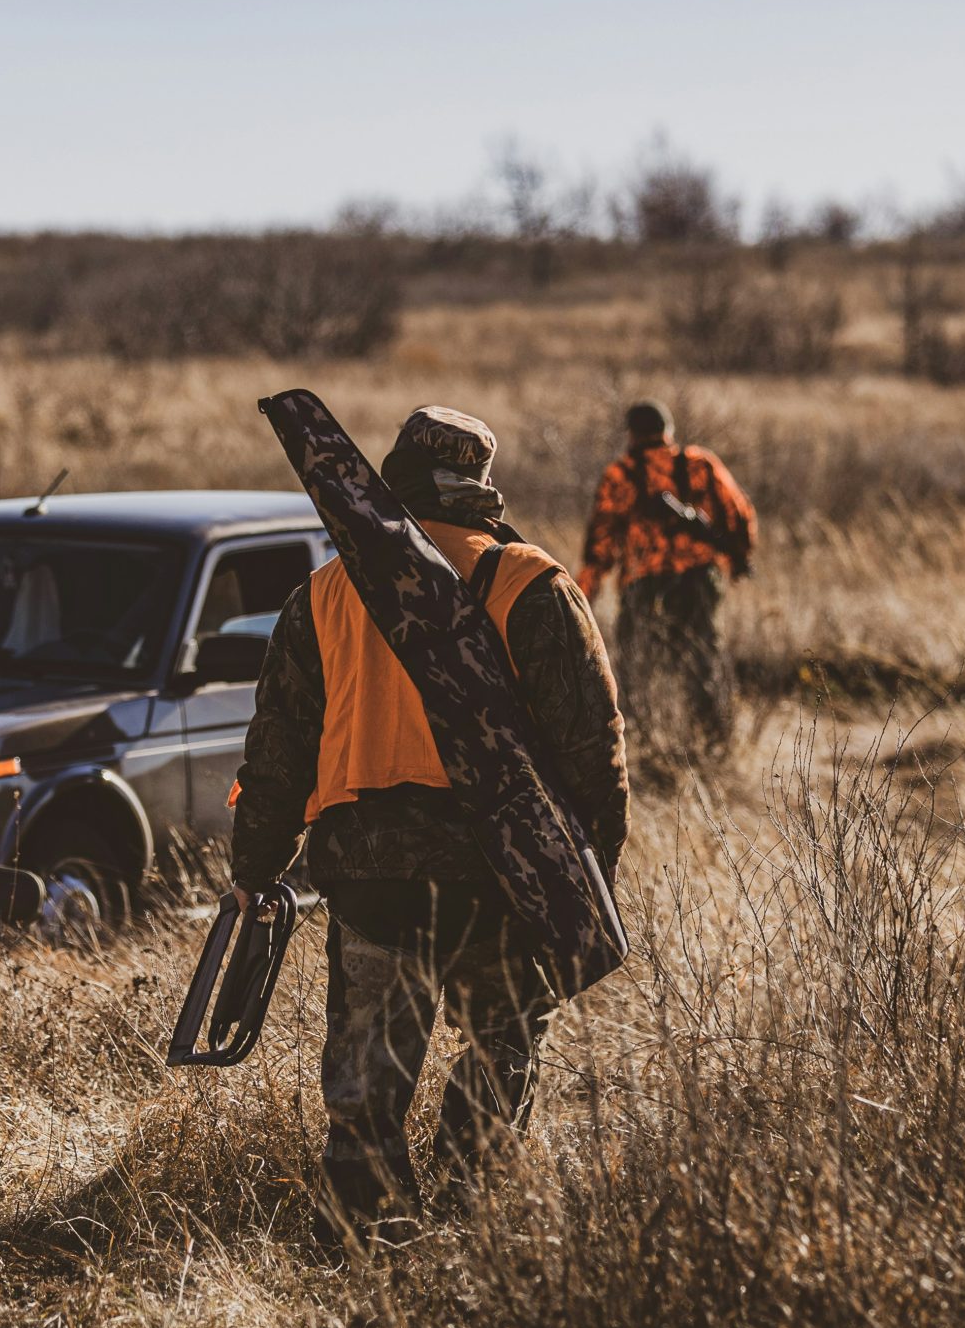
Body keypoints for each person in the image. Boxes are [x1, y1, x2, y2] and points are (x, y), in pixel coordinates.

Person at [228, 406, 630, 1243]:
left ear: (395, 479)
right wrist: (588, 880)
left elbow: (277, 751)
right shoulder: (532, 582)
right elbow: (595, 748)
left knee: (366, 1086)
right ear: (481, 486)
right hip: (500, 874)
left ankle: (364, 1235)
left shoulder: (326, 592)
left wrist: (256, 867)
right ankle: (470, 1210)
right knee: (504, 1043)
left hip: (370, 875)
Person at [576, 400, 756, 757]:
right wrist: (737, 558)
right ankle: (715, 740)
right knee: (703, 656)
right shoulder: (700, 463)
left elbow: (601, 543)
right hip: (698, 578)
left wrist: (584, 594)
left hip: (643, 582)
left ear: (631, 434)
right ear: (668, 431)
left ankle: (635, 739)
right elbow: (738, 514)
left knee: (636, 662)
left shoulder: (620, 474)